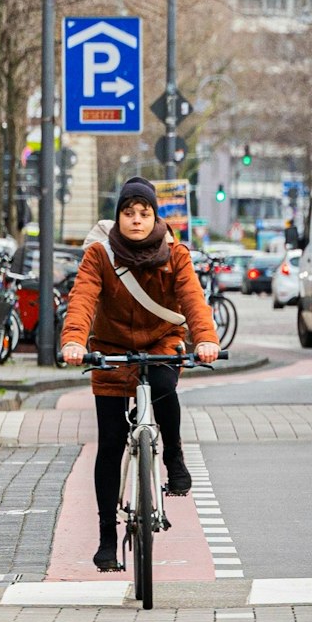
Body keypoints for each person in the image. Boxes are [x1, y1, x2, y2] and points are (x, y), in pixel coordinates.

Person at [58, 177, 219, 572]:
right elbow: (82, 300)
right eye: (128, 213)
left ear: (154, 216)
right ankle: (106, 538)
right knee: (110, 443)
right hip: (111, 351)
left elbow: (193, 301)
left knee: (165, 387)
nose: (135, 220)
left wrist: (205, 340)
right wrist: (74, 342)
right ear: (118, 217)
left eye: (143, 213)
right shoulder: (99, 256)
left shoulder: (175, 255)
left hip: (160, 342)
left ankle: (175, 458)